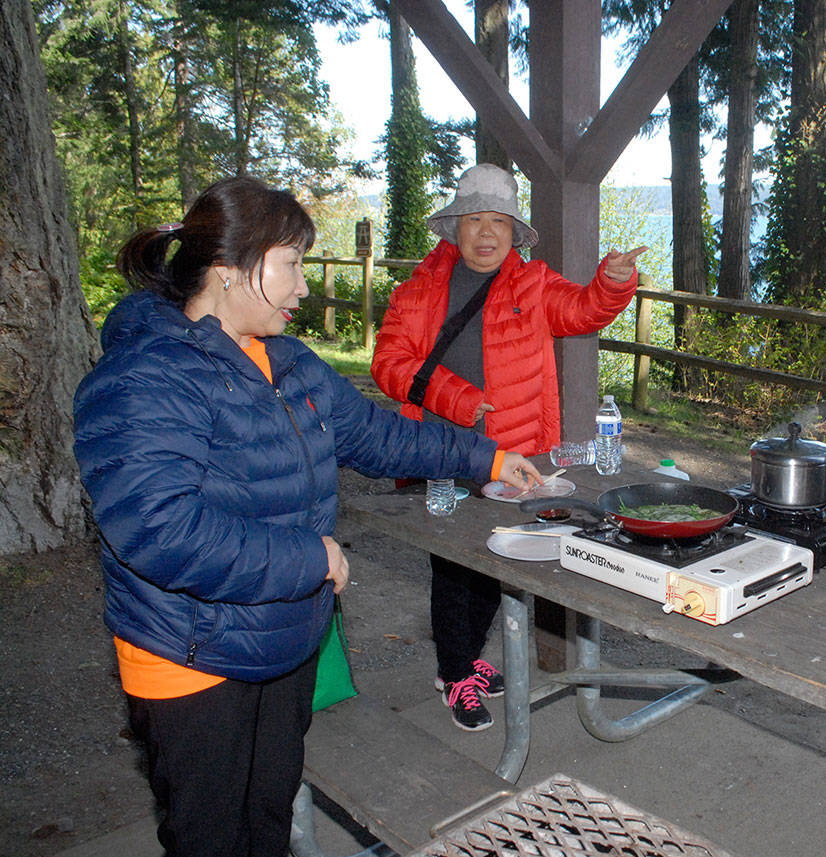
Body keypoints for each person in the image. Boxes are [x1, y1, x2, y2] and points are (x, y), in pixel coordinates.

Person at [72, 176, 542, 857]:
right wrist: (312, 559)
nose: (303, 288)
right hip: (191, 657)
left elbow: (379, 437)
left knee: (269, 816)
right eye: (291, 265)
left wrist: (489, 458)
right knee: (208, 835)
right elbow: (157, 530)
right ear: (229, 270)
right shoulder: (144, 376)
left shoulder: (288, 362)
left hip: (281, 635)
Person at [371, 163, 646, 731]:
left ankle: (468, 659)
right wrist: (459, 401)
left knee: (495, 559)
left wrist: (614, 279)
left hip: (513, 453)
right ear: (455, 228)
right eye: (476, 219)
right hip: (442, 453)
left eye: (499, 220)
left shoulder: (533, 283)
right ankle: (454, 675)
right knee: (452, 567)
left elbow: (585, 310)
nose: (487, 233)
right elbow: (389, 364)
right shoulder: (419, 290)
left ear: (513, 231)